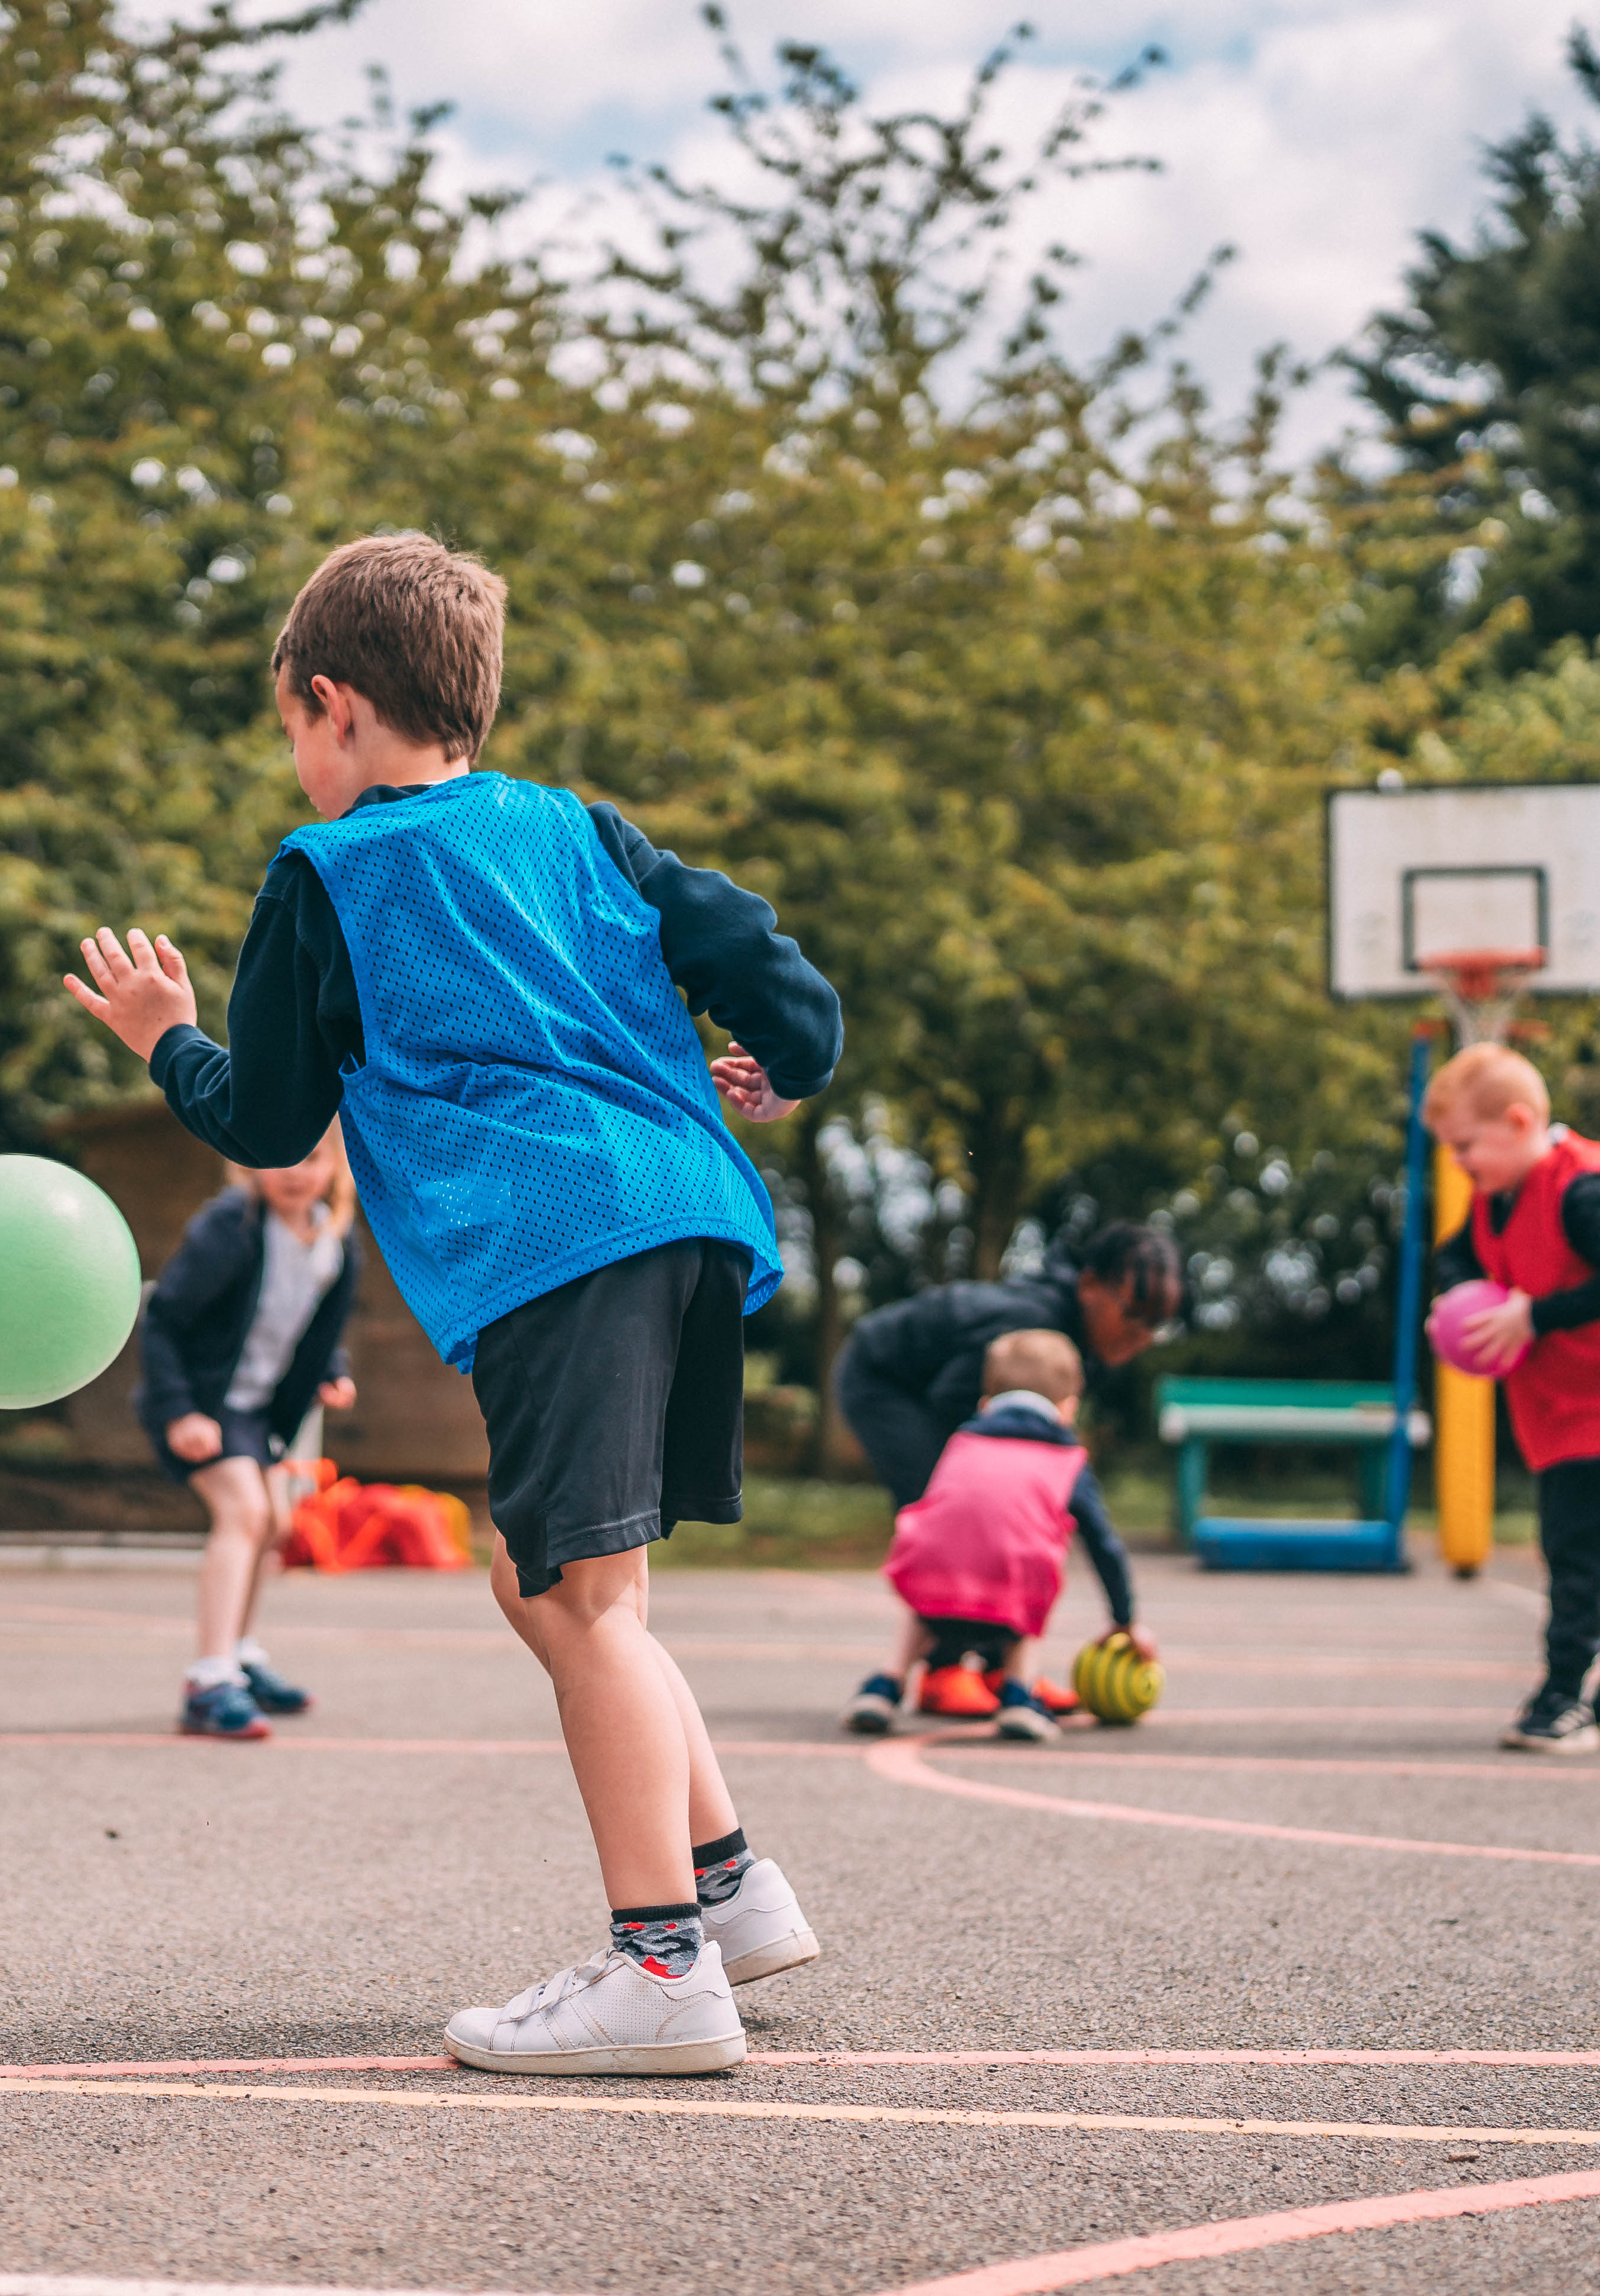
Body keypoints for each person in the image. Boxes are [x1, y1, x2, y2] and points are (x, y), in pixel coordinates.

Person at [66, 533, 844, 2077]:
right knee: (546, 1579)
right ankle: (727, 1890)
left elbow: (276, 1122)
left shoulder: (331, 875)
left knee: (584, 1602)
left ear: (331, 705)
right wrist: (781, 1062)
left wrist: (165, 1036)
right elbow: (780, 983)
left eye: (288, 723)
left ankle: (659, 1974)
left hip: (556, 1236)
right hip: (684, 1219)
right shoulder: (579, 831)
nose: (294, 754)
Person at [1423, 1042, 1600, 1758]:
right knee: (1585, 1544)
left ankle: (1561, 1698)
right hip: (1562, 1397)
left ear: (1516, 1124)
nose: (1457, 1164)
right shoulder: (1497, 1197)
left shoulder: (1585, 1190)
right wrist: (1456, 1300)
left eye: (1463, 1146)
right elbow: (1453, 1254)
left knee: (1576, 1550)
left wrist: (1531, 1316)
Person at [136, 1128, 363, 1738]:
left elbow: (314, 1327)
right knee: (243, 1515)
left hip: (258, 1412)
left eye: (310, 1157)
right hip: (204, 1405)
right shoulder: (229, 1227)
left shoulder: (333, 1241)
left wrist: (330, 1371)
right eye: (279, 1156)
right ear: (250, 1165)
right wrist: (180, 1410)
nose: (295, 1171)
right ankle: (208, 1681)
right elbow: (161, 1320)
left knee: (278, 1524)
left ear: (332, 1166)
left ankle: (238, 1654)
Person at [845, 1329, 1145, 1742]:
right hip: (1009, 1597)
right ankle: (1019, 1693)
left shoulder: (963, 1440)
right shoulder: (1066, 1457)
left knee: (933, 1584)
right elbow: (1102, 1543)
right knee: (1031, 1561)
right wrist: (1124, 1620)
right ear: (1068, 1409)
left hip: (929, 1583)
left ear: (985, 1404)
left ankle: (885, 1685)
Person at [835, 1226, 1184, 1509]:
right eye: (1134, 1315)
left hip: (934, 1390)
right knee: (942, 1499)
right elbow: (953, 1401)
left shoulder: (1095, 1349)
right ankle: (937, 1588)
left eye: (1157, 1325)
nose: (1143, 1336)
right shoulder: (1031, 1324)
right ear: (1089, 1286)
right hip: (881, 1373)